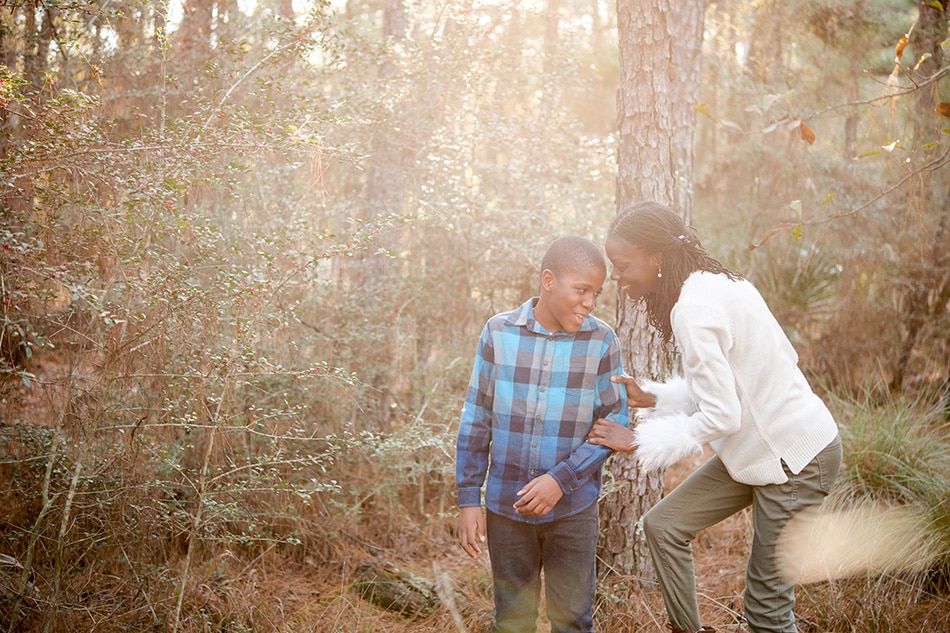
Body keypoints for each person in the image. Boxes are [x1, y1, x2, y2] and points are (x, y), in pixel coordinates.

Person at [586, 202, 842, 633]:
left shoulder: (693, 309)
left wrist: (639, 441)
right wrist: (654, 397)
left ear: (657, 257)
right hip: (760, 452)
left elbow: (723, 415)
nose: (617, 277)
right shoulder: (719, 284)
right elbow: (735, 386)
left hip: (795, 459)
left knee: (766, 610)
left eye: (623, 265)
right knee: (664, 526)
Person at [456, 236, 629, 633]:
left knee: (572, 621)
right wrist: (468, 499)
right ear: (548, 280)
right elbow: (476, 417)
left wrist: (559, 480)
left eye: (596, 294)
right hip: (506, 507)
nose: (590, 303)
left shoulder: (601, 341)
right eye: (582, 290)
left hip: (573, 511)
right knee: (512, 621)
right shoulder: (498, 332)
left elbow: (614, 423)